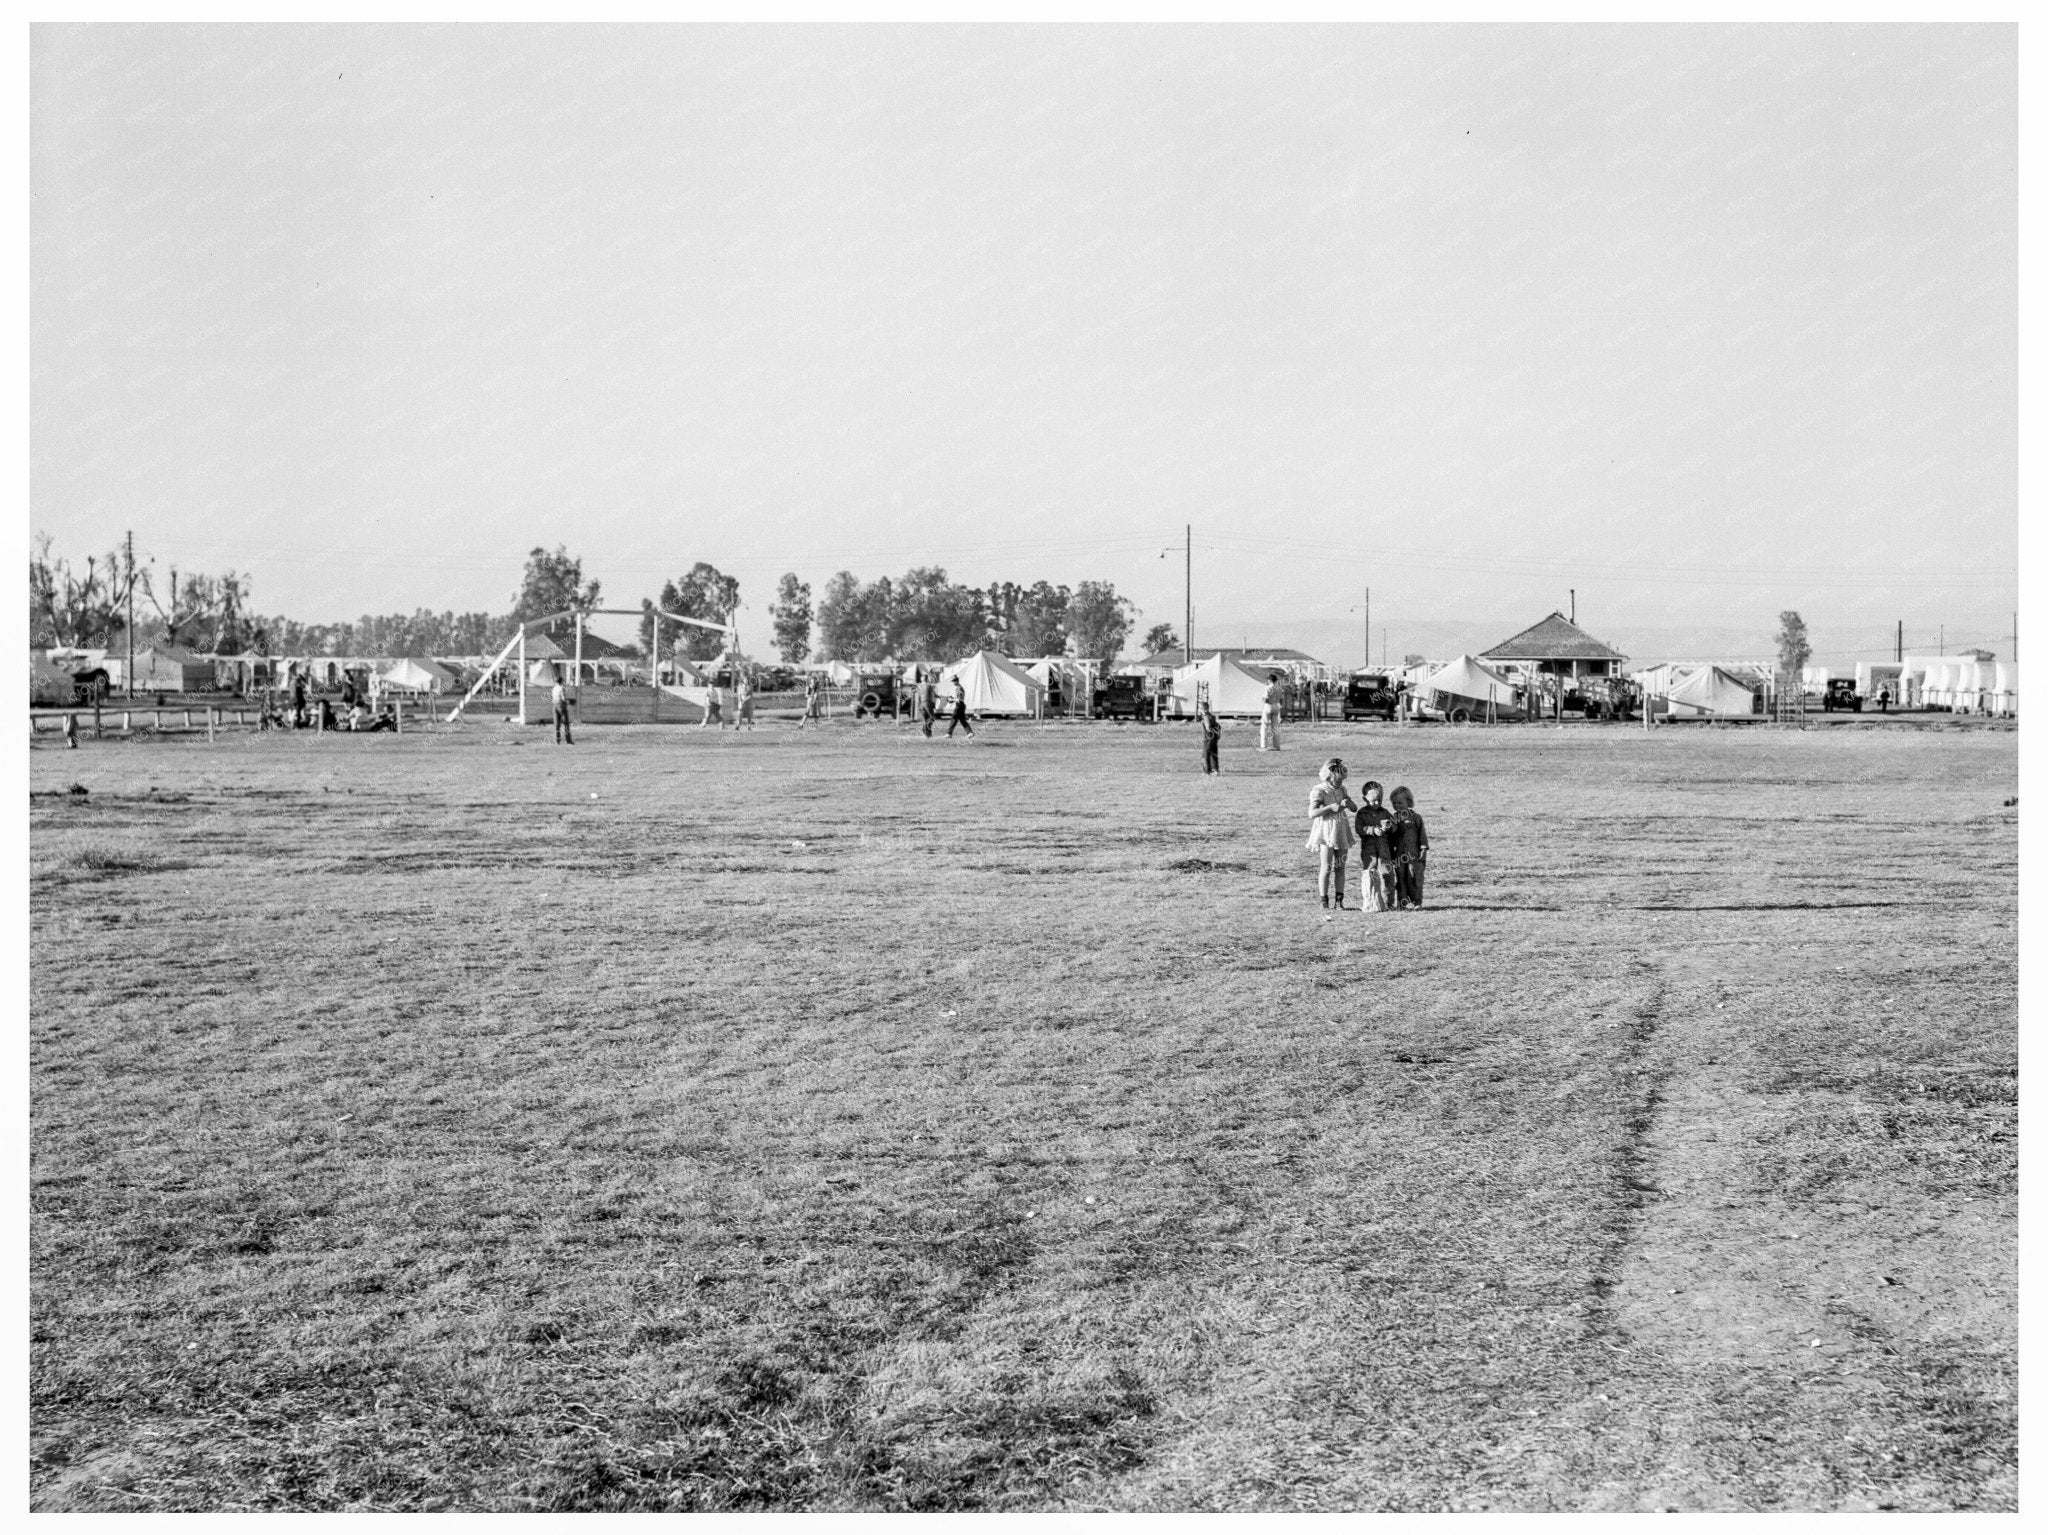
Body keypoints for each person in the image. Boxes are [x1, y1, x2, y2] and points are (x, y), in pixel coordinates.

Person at [1304, 758, 1357, 909]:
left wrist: (1350, 805)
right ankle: (1324, 901)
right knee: (1326, 867)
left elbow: (1353, 807)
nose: (1340, 782)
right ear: (1329, 776)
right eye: (1337, 779)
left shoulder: (1342, 790)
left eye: (1342, 779)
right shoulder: (1319, 790)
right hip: (1326, 832)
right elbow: (1312, 813)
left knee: (1341, 867)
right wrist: (1330, 808)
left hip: (1340, 831)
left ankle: (1339, 901)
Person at [1353, 781, 1394, 911]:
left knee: (1387, 875)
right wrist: (1372, 830)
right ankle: (1371, 903)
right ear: (1365, 799)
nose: (1377, 803)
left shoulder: (1385, 812)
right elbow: (1359, 829)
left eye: (1379, 800)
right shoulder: (1361, 813)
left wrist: (1390, 827)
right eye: (1373, 800)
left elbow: (1394, 827)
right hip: (1369, 852)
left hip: (1384, 850)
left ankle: (1388, 903)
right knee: (1370, 876)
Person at [1387, 786, 1429, 908]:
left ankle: (1417, 902)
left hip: (1414, 854)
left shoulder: (1416, 818)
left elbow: (1422, 835)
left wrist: (1424, 849)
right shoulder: (1393, 818)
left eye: (1400, 802)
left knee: (1415, 877)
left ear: (1408, 802)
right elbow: (1391, 837)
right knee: (1400, 878)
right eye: (1394, 803)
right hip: (1399, 854)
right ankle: (1402, 902)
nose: (1397, 805)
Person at [1199, 703, 1222, 774]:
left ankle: (1207, 771)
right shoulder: (1212, 716)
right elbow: (1218, 726)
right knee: (1213, 753)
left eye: (1200, 708)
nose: (1199, 709)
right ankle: (1216, 770)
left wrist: (1210, 731)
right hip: (1214, 737)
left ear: (1203, 709)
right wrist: (1217, 733)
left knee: (1205, 753)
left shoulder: (1205, 716)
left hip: (1208, 737)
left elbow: (1208, 727)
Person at [551, 674, 574, 745]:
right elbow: (563, 698)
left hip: (554, 706)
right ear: (561, 681)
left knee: (557, 725)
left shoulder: (554, 688)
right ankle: (568, 740)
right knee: (566, 724)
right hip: (561, 705)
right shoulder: (561, 688)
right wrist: (569, 702)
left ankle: (557, 741)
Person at [919, 672, 938, 737]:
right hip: (928, 703)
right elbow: (934, 694)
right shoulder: (929, 685)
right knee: (931, 718)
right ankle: (928, 733)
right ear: (927, 679)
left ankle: (925, 733)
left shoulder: (919, 686)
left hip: (921, 704)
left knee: (925, 719)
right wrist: (940, 696)